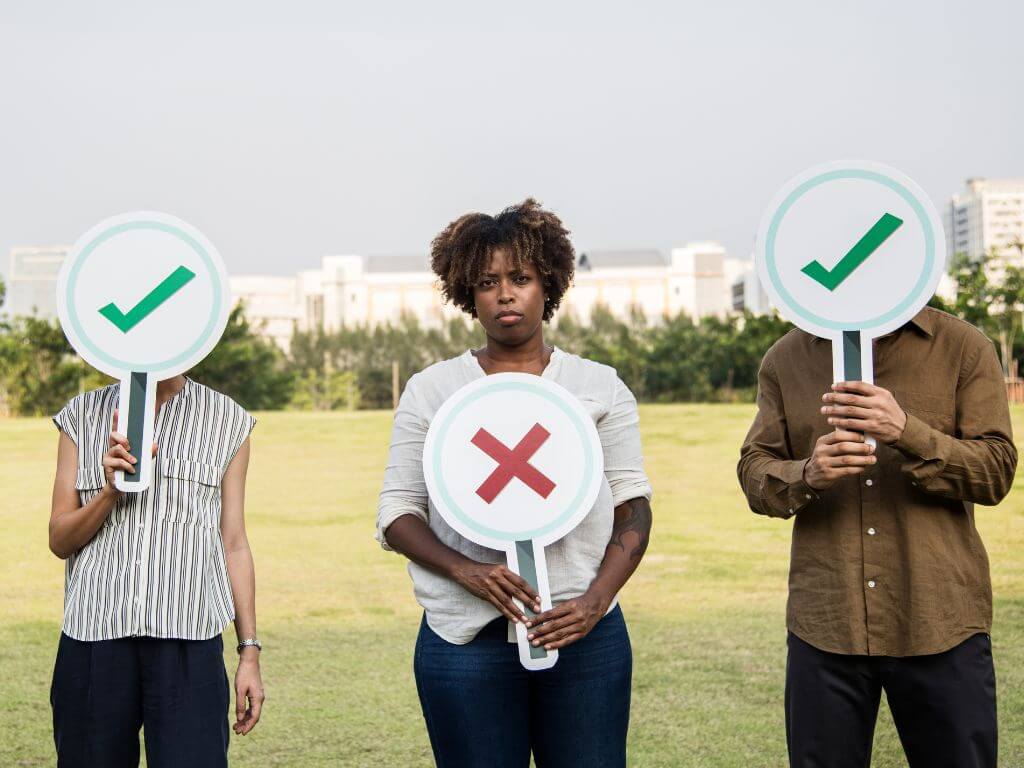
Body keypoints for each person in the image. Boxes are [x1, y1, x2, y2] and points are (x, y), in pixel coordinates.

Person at [377, 199, 653, 768]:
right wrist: (465, 570)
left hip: (585, 635)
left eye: (521, 279)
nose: (505, 294)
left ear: (548, 285)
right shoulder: (432, 390)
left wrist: (596, 602)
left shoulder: (597, 385)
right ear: (466, 293)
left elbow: (634, 506)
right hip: (464, 640)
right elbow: (398, 511)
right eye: (487, 281)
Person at [737, 306, 1017, 768]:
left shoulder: (964, 347)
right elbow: (754, 471)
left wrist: (907, 431)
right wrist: (808, 473)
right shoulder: (785, 358)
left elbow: (996, 472)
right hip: (827, 624)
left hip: (939, 620)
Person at [48, 374, 264, 767]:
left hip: (188, 641)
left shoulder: (226, 418)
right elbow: (59, 540)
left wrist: (249, 651)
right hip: (94, 637)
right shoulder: (81, 415)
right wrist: (109, 492)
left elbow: (234, 542)